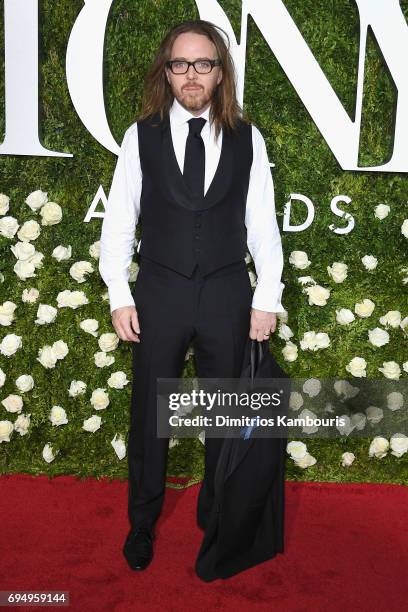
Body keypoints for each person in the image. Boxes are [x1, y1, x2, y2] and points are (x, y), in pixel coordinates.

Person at [99, 19, 286, 573]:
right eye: (180, 64)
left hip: (228, 291)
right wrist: (118, 291)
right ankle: (142, 521)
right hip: (159, 291)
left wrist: (266, 297)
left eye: (203, 64)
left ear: (220, 72)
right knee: (149, 416)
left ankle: (217, 514)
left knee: (226, 415)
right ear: (167, 70)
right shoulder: (142, 136)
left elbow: (263, 226)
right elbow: (119, 222)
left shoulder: (247, 138)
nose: (191, 75)